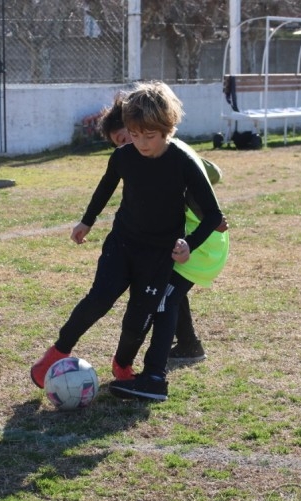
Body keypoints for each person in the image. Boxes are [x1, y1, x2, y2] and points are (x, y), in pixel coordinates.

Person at [29, 81, 224, 401]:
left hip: (159, 255)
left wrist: (190, 243)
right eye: (134, 134)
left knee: (138, 316)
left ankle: (122, 366)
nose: (141, 143)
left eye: (150, 136)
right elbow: (105, 187)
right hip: (122, 244)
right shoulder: (123, 156)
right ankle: (55, 354)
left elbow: (213, 215)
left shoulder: (182, 162)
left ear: (168, 129)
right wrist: (87, 221)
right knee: (99, 298)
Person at [97, 96, 229, 380]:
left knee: (162, 297)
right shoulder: (147, 157)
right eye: (121, 142)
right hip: (182, 242)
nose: (129, 148)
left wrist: (206, 215)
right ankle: (189, 346)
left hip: (200, 243)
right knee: (166, 288)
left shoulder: (172, 158)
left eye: (126, 139)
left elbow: (211, 178)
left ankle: (154, 372)